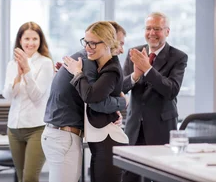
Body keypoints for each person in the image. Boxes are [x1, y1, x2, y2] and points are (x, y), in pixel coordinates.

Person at [42, 21, 127, 182]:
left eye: (93, 43)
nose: (120, 48)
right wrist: (122, 103)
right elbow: (94, 100)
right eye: (87, 42)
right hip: (63, 135)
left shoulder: (85, 61)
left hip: (61, 134)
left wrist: (117, 103)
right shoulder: (86, 63)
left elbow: (102, 90)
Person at [121, 12, 188, 182]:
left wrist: (148, 69)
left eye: (157, 29)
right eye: (149, 28)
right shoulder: (134, 53)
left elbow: (171, 90)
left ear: (167, 31)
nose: (152, 33)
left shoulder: (178, 57)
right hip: (134, 127)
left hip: (161, 127)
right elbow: (120, 87)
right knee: (129, 176)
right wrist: (135, 76)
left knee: (160, 177)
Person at [2, 22, 54, 182]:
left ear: (40, 40)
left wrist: (27, 71)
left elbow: (37, 95)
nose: (30, 43)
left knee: (30, 178)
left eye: (34, 38)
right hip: (14, 128)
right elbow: (8, 95)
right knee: (20, 176)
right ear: (20, 40)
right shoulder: (12, 64)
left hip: (37, 128)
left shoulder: (45, 63)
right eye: (26, 38)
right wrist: (17, 76)